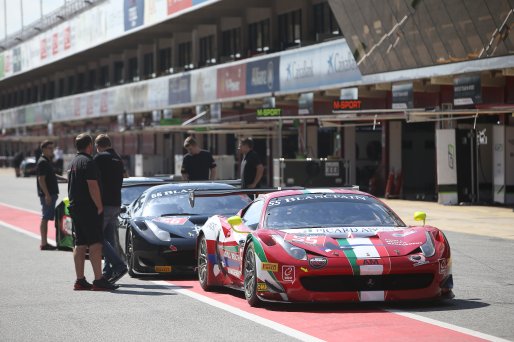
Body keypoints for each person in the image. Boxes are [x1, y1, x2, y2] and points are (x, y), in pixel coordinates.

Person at [68, 133, 117, 291]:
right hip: (89, 209)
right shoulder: (88, 162)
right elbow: (92, 185)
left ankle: (80, 280)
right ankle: (98, 280)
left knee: (80, 244)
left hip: (75, 207)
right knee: (95, 244)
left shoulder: (74, 162)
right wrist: (99, 205)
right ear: (89, 145)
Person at [94, 134, 128, 284]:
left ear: (98, 145)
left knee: (96, 237)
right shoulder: (118, 158)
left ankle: (118, 265)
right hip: (116, 203)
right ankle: (108, 271)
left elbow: (91, 178)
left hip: (104, 203)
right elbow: (125, 177)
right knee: (109, 239)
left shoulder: (100, 158)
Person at [36, 141, 67, 250]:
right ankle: (44, 243)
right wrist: (47, 195)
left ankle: (44, 243)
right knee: (45, 217)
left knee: (47, 217)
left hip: (51, 194)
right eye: (49, 148)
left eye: (52, 148)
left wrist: (65, 179)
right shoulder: (43, 162)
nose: (51, 150)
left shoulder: (47, 161)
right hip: (48, 195)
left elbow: (53, 175)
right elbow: (41, 179)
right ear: (43, 149)